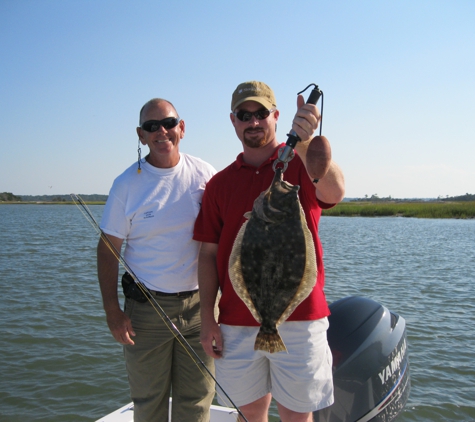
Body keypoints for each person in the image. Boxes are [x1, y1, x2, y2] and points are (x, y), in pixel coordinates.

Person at [193, 81, 345, 422]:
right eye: (245, 115)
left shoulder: (301, 166)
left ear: (276, 116)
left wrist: (305, 145)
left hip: (301, 319)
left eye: (262, 113)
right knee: (249, 414)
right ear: (233, 121)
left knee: (297, 416)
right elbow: (207, 255)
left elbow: (334, 192)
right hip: (235, 322)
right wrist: (207, 317)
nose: (254, 121)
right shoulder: (219, 184)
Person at [97, 98, 217, 421]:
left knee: (196, 402)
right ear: (141, 135)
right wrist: (112, 311)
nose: (161, 131)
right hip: (146, 314)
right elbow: (107, 250)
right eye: (151, 127)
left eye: (168, 123)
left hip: (201, 309)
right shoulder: (126, 185)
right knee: (149, 403)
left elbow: (225, 243)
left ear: (182, 128)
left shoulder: (206, 175)